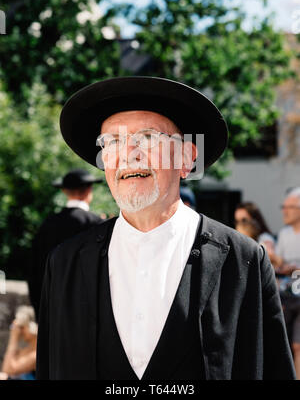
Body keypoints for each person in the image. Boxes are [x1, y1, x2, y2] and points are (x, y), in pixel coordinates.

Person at [36, 76, 295, 380]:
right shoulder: (65, 263)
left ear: (186, 159)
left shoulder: (243, 262)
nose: (128, 154)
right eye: (113, 142)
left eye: (147, 138)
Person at [28, 168, 103, 319]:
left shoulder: (47, 224)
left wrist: (40, 311)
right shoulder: (97, 224)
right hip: (86, 312)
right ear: (89, 190)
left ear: (64, 191)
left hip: (52, 308)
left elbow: (33, 268)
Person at [267, 187, 300, 378]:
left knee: (298, 345)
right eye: (283, 207)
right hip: (287, 297)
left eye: (289, 207)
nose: (284, 211)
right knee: (284, 342)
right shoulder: (285, 234)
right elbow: (280, 266)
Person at [0, 306, 37, 380]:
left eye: (22, 327)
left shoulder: (36, 354)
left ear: (33, 326)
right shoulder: (27, 349)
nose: (20, 331)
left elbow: (7, 370)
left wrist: (13, 338)